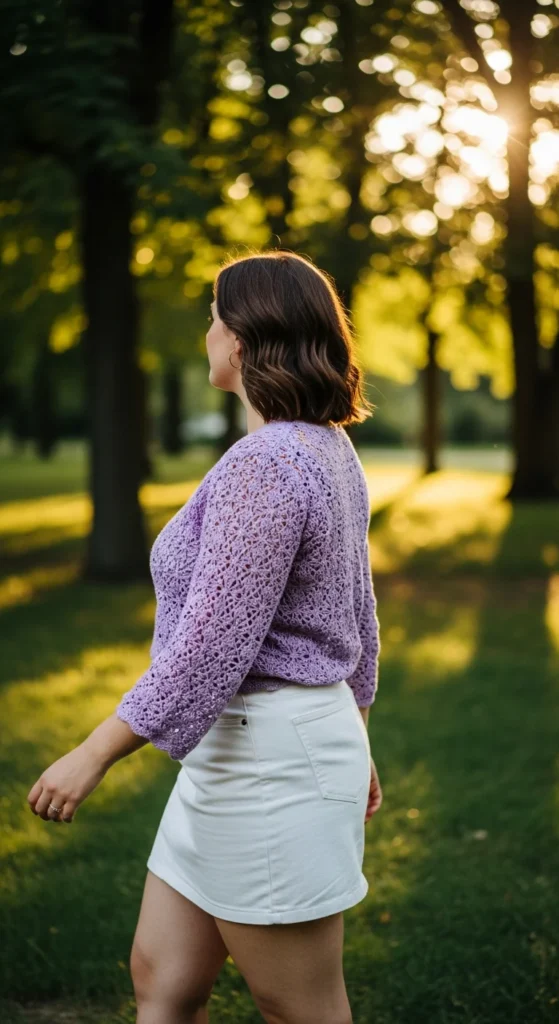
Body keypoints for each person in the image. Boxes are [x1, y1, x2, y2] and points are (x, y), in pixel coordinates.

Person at [27, 250, 383, 1024]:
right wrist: (354, 736)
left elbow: (209, 651)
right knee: (161, 979)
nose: (207, 329)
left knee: (299, 1006)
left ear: (246, 337)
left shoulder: (270, 463)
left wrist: (92, 754)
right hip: (244, 755)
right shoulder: (322, 447)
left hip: (271, 762)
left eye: (215, 314)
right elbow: (357, 615)